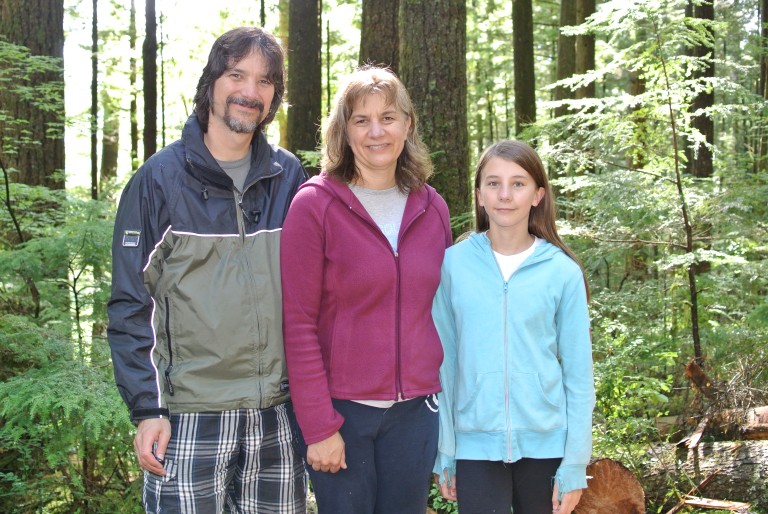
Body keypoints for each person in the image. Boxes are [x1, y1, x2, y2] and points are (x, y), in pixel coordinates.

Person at [107, 27, 307, 513]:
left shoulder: (290, 178)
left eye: (264, 81)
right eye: (237, 74)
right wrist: (147, 409)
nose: (250, 92)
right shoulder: (158, 180)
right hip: (188, 416)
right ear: (212, 82)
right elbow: (131, 304)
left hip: (278, 418)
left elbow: (316, 298)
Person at [280, 65, 453, 514]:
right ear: (344, 129)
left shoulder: (432, 208)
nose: (377, 131)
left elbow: (441, 314)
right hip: (343, 415)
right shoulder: (315, 204)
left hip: (417, 413)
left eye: (388, 117)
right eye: (361, 119)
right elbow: (297, 323)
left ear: (407, 125)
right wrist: (319, 426)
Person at [432, 140, 595, 514]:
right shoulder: (452, 266)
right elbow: (445, 364)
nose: (505, 195)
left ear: (538, 195)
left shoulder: (562, 272)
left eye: (518, 184)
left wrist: (575, 462)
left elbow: (578, 375)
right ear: (479, 195)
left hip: (548, 445)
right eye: (493, 183)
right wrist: (447, 447)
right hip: (474, 445)